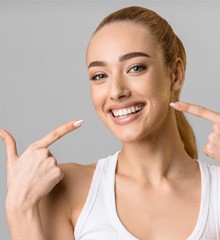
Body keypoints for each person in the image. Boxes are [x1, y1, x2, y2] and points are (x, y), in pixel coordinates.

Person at [1, 5, 220, 240]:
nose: (116, 91)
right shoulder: (68, 190)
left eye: (135, 68)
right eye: (100, 76)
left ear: (175, 74)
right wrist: (19, 206)